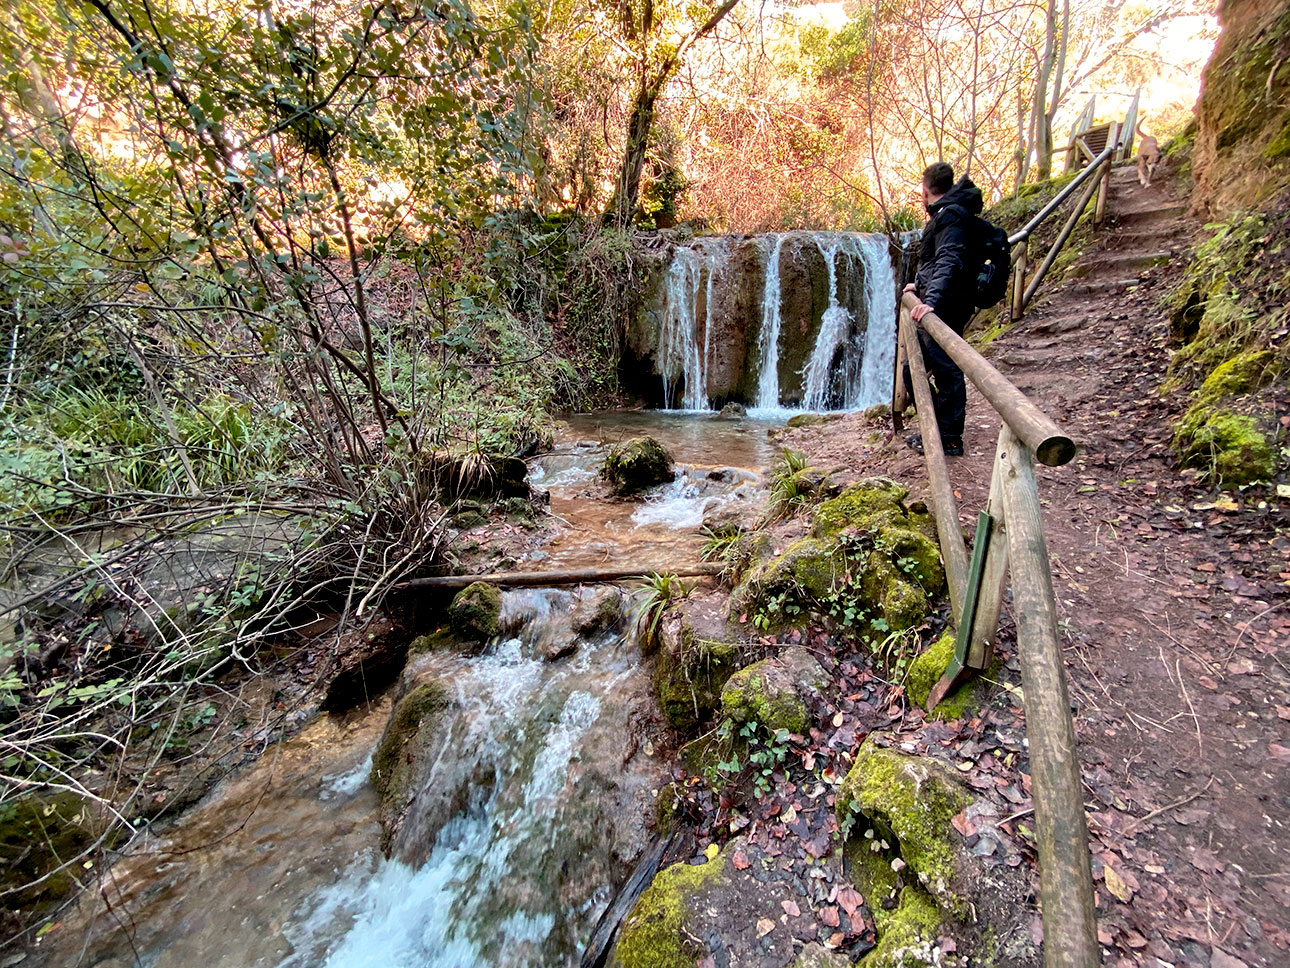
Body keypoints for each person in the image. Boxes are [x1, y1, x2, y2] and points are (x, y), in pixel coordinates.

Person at [902, 161, 984, 457]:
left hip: (945, 306)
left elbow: (949, 259)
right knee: (914, 369)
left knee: (946, 371)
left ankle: (949, 437)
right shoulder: (949, 214)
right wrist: (918, 287)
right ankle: (936, 428)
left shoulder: (951, 217)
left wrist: (930, 301)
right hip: (940, 301)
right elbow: (936, 262)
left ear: (924, 190)